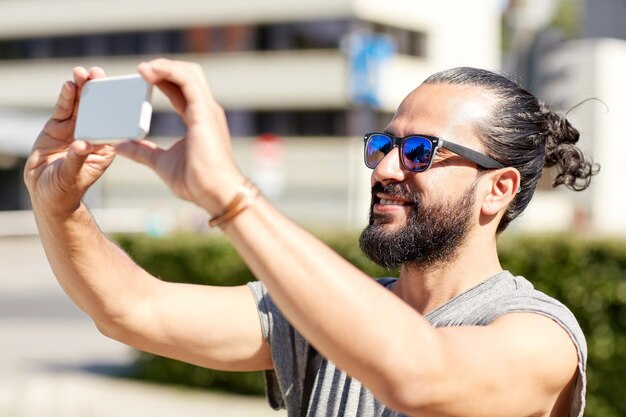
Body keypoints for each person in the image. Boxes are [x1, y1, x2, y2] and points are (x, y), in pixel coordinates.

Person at [24, 59, 597, 417]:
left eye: (419, 151)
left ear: (498, 189)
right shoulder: (329, 313)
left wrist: (230, 196)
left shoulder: (539, 335)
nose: (386, 169)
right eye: (382, 145)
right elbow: (132, 310)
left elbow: (418, 375)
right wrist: (57, 206)